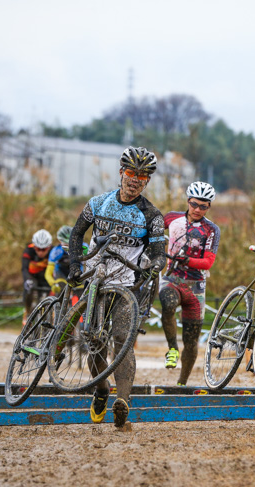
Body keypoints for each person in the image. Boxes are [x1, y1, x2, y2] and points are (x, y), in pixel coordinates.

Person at [68, 146, 167, 428]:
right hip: (95, 279)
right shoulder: (98, 203)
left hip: (125, 285)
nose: (135, 179)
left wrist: (155, 265)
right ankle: (101, 391)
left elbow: (160, 252)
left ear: (147, 181)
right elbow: (76, 234)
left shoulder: (152, 216)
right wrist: (76, 264)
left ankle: (123, 400)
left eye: (143, 176)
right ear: (121, 172)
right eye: (131, 173)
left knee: (123, 339)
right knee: (95, 342)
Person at [159, 181, 220, 385]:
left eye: (203, 206)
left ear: (209, 207)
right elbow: (151, 231)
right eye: (194, 204)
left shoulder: (211, 229)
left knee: (191, 340)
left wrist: (189, 260)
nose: (197, 210)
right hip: (172, 278)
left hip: (195, 286)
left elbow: (208, 262)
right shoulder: (172, 218)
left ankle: (182, 382)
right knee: (167, 304)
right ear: (188, 201)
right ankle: (172, 349)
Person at [45, 225, 88, 297]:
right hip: (61, 276)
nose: (69, 247)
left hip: (77, 274)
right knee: (60, 291)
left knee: (81, 294)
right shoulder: (56, 251)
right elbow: (48, 273)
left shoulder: (84, 247)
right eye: (65, 244)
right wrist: (53, 284)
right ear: (60, 241)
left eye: (71, 243)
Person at [22, 229, 53, 320]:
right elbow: (24, 268)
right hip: (33, 277)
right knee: (29, 288)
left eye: (44, 249)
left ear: (49, 247)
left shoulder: (54, 251)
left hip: (47, 278)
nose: (41, 252)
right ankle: (27, 311)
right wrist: (27, 279)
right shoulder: (28, 250)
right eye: (38, 249)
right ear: (34, 246)